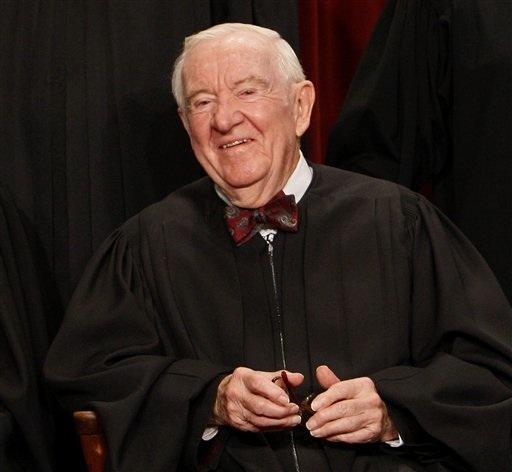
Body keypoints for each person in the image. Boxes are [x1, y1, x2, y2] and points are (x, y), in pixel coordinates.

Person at [44, 23, 512, 471]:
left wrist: (394, 409)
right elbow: (89, 378)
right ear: (186, 124)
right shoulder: (146, 245)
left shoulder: (399, 222)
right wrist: (212, 398)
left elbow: (489, 372)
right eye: (202, 102)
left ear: (301, 105)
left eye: (248, 91)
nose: (225, 119)